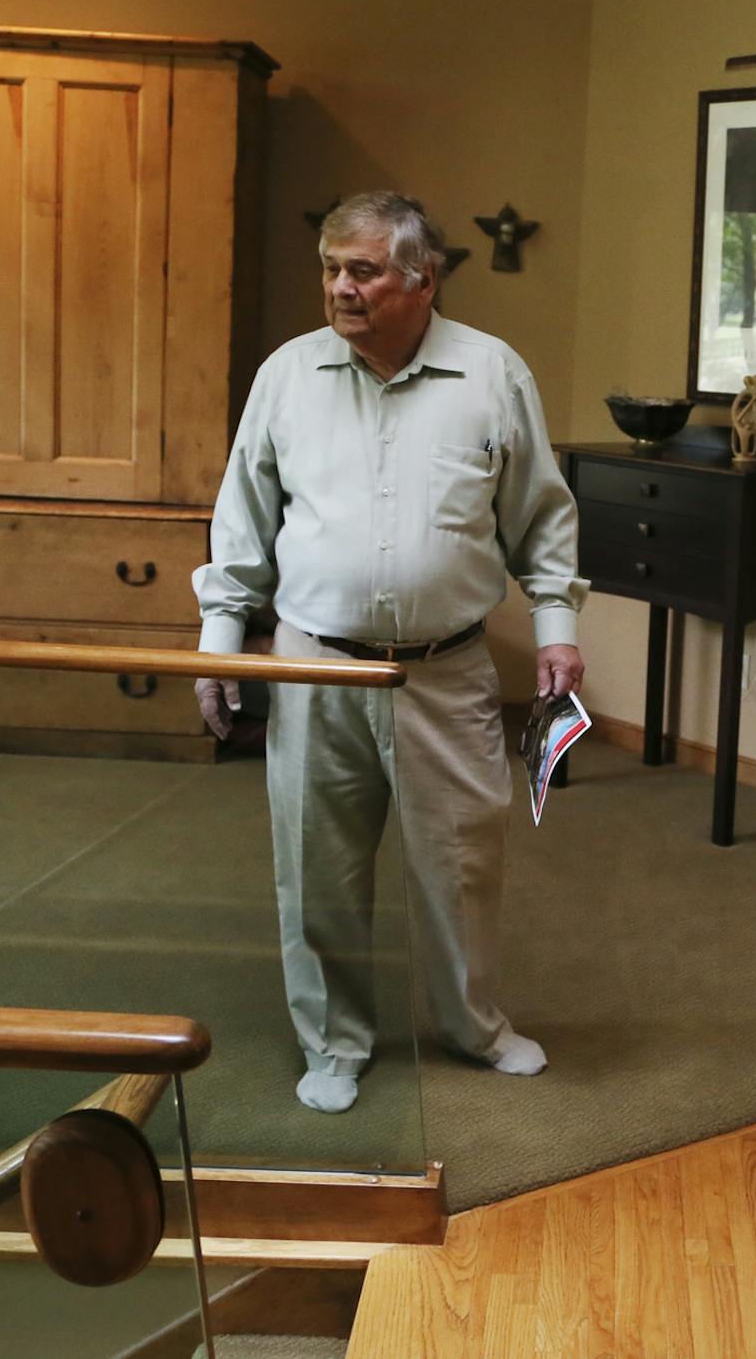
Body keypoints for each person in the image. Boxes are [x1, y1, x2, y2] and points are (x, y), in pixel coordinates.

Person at [192, 191, 587, 1116]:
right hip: (314, 665)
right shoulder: (287, 376)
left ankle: (475, 1027)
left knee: (462, 865)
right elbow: (242, 518)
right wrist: (221, 642)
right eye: (332, 269)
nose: (341, 287)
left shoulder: (492, 374)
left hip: (445, 669)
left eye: (363, 271)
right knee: (317, 868)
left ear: (423, 280)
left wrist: (557, 629)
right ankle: (333, 1042)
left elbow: (540, 516)